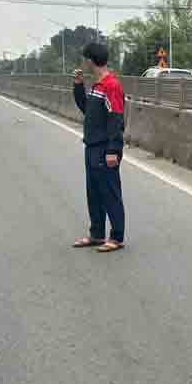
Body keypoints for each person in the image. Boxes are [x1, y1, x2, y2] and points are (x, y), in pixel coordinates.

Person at [71, 42, 126, 253]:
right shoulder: (96, 86)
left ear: (91, 60)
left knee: (110, 193)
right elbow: (87, 109)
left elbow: (116, 119)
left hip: (105, 149)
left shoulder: (111, 86)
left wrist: (113, 149)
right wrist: (78, 85)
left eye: (85, 59)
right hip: (91, 147)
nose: (83, 63)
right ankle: (96, 234)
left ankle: (117, 236)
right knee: (93, 193)